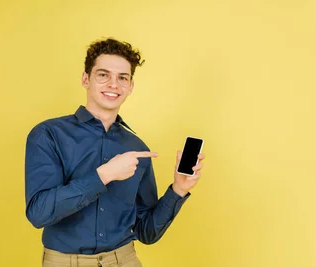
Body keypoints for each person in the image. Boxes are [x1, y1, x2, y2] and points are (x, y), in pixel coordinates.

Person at [24, 38, 205, 267]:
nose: (113, 84)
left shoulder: (137, 149)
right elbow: (39, 213)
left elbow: (146, 232)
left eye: (122, 78)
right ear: (85, 79)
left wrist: (178, 189)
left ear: (130, 87)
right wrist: (104, 175)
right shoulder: (48, 134)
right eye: (103, 75)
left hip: (125, 260)